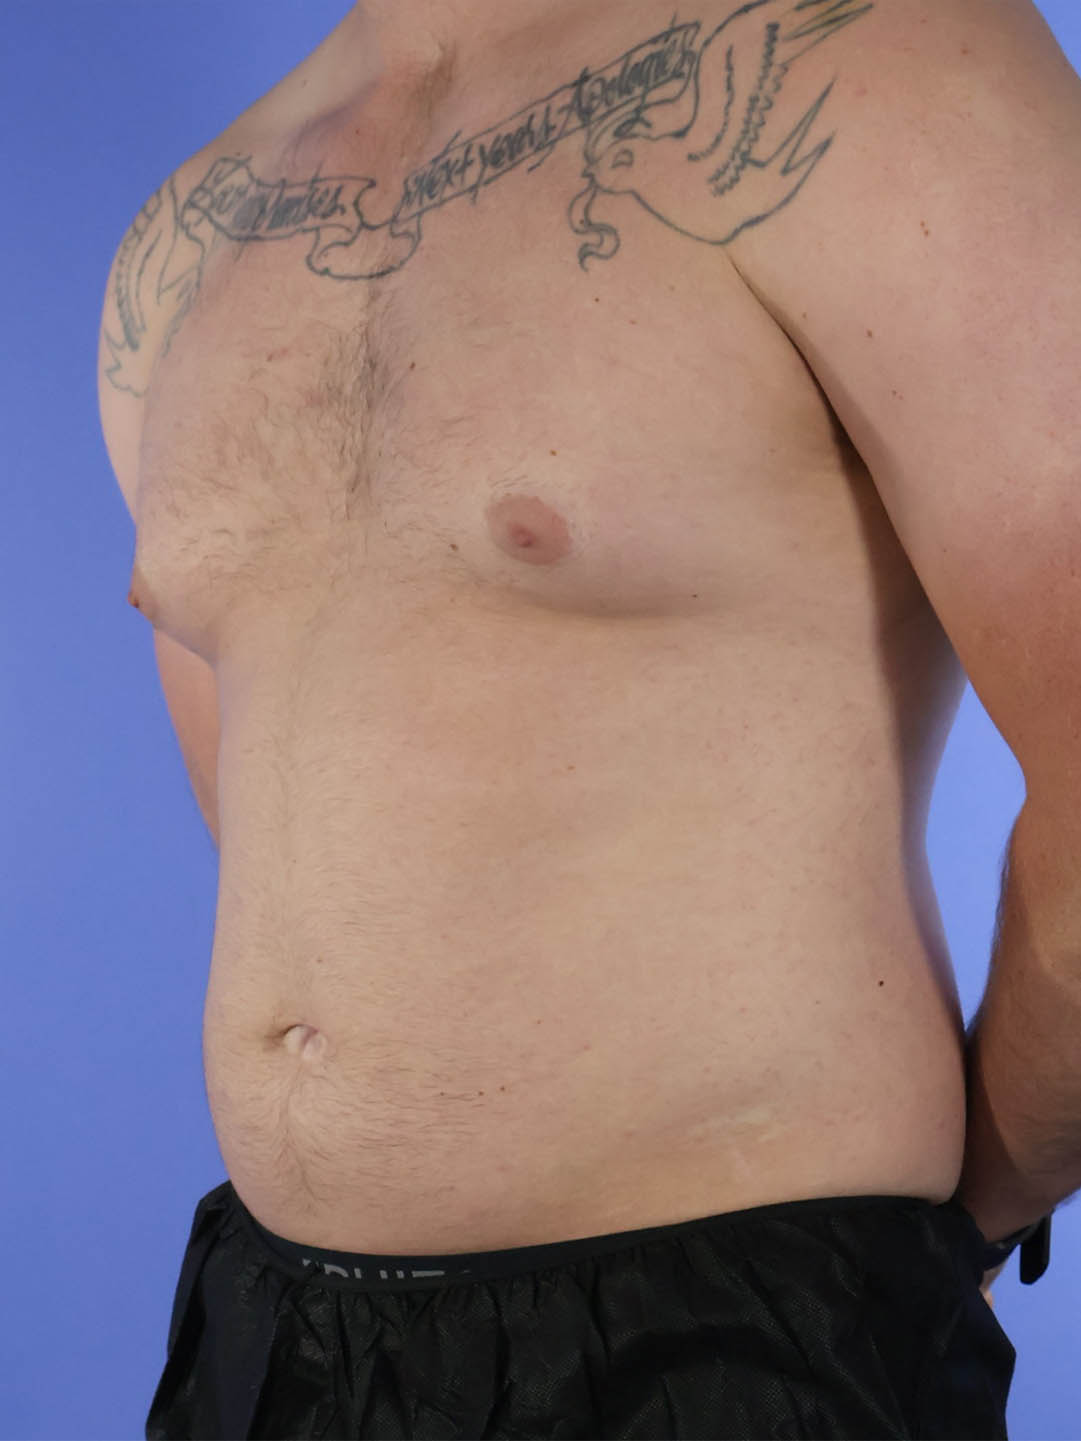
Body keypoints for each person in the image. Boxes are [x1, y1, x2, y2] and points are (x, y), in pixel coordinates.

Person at [97, 0, 1078, 1436]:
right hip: (275, 1343)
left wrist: (964, 1222)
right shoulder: (194, 224)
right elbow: (281, 817)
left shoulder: (863, 60)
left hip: (727, 1339)